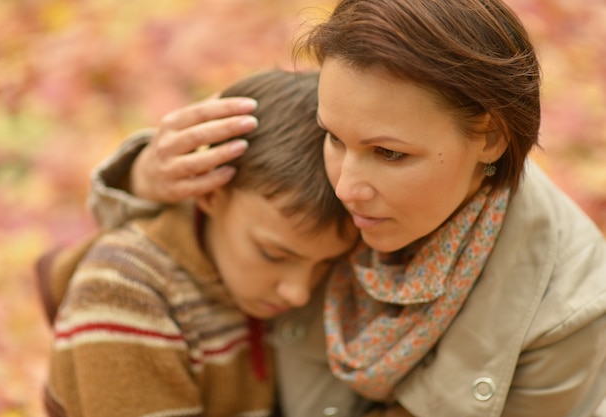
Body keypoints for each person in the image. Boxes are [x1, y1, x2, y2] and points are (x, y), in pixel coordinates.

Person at [84, 0, 606, 416]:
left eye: (389, 154)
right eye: (332, 136)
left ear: (489, 138)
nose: (346, 187)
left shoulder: (565, 310)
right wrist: (144, 181)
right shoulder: (367, 111)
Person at [37, 70, 360, 417]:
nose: (299, 293)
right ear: (210, 192)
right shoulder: (126, 292)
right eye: (273, 255)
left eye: (324, 265)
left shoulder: (252, 281)